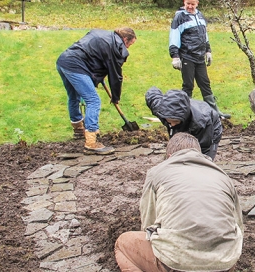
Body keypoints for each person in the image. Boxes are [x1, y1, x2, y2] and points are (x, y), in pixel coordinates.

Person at [114, 132, 243, 272]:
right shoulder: (222, 176)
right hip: (224, 263)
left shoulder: (157, 173)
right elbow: (238, 224)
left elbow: (148, 220)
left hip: (176, 263)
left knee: (122, 244)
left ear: (169, 156)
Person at [56, 27, 136, 155]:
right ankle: (91, 142)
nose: (128, 48)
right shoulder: (117, 47)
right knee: (93, 100)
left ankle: (78, 130)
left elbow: (92, 55)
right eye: (130, 44)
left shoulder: (102, 34)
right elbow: (116, 76)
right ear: (125, 39)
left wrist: (98, 75)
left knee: (74, 97)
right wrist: (116, 97)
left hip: (63, 61)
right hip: (76, 66)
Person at [169, 0, 230, 119]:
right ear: (184, 3)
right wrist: (175, 56)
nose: (190, 7)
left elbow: (204, 34)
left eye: (192, 4)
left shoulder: (200, 15)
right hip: (187, 56)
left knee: (205, 84)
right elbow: (174, 37)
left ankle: (214, 112)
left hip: (200, 56)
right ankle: (185, 114)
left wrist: (208, 51)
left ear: (197, 4)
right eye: (188, 4)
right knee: (188, 85)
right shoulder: (179, 17)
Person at [145, 86, 223, 160]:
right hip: (186, 122)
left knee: (201, 161)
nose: (172, 124)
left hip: (210, 128)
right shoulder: (161, 109)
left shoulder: (201, 123)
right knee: (175, 153)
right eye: (169, 121)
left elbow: (204, 149)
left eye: (175, 121)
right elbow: (151, 93)